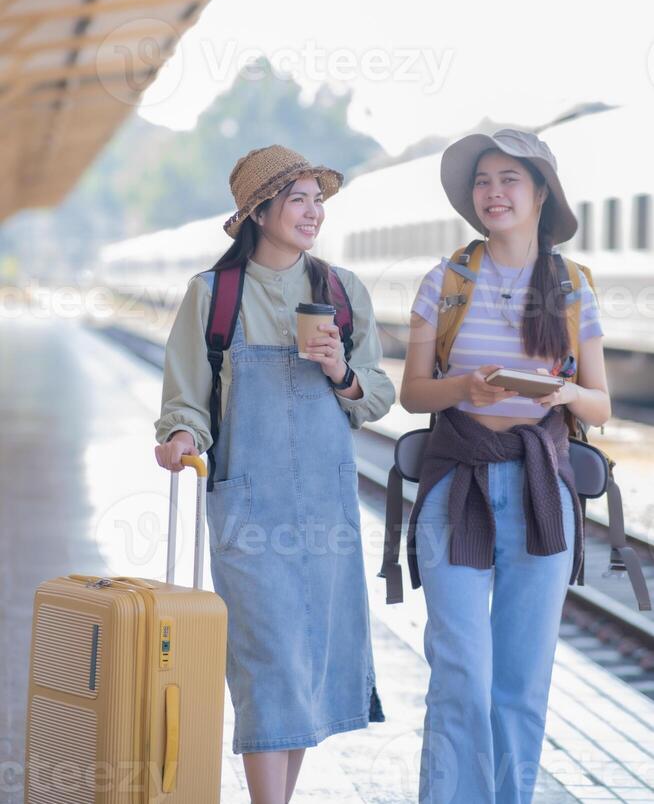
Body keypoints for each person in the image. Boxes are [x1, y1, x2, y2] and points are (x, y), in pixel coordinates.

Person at [154, 144, 395, 804]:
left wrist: (339, 371)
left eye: (319, 199)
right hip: (250, 514)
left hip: (325, 512)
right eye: (299, 198)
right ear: (259, 211)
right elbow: (187, 399)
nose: (314, 211)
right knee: (267, 668)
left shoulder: (341, 291)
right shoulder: (213, 295)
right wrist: (179, 436)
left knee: (304, 671)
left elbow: (376, 395)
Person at [400, 128, 610, 804]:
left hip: (540, 491)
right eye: (483, 181)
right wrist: (465, 389)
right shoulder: (446, 280)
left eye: (509, 179)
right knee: (460, 670)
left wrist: (563, 392)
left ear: (541, 192)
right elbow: (411, 393)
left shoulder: (573, 287)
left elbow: (600, 403)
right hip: (457, 484)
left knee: (521, 682)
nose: (493, 192)